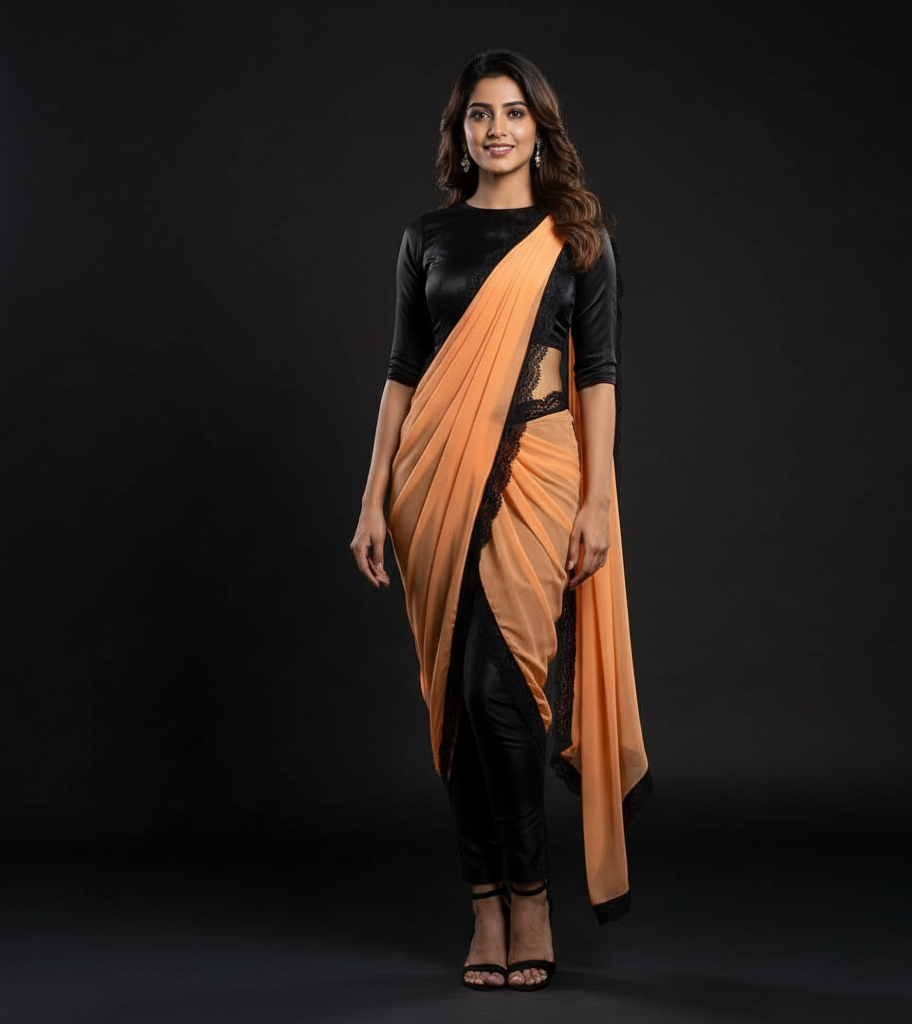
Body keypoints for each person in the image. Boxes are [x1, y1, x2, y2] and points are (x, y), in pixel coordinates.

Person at [350, 50, 650, 992]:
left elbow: (599, 376)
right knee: (455, 696)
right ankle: (485, 901)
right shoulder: (427, 237)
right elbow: (403, 372)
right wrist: (370, 497)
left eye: (514, 112)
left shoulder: (576, 237)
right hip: (431, 480)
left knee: (500, 692)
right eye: (480, 114)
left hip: (540, 469)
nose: (497, 129)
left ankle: (532, 894)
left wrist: (598, 499)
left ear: (539, 127)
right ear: (461, 132)